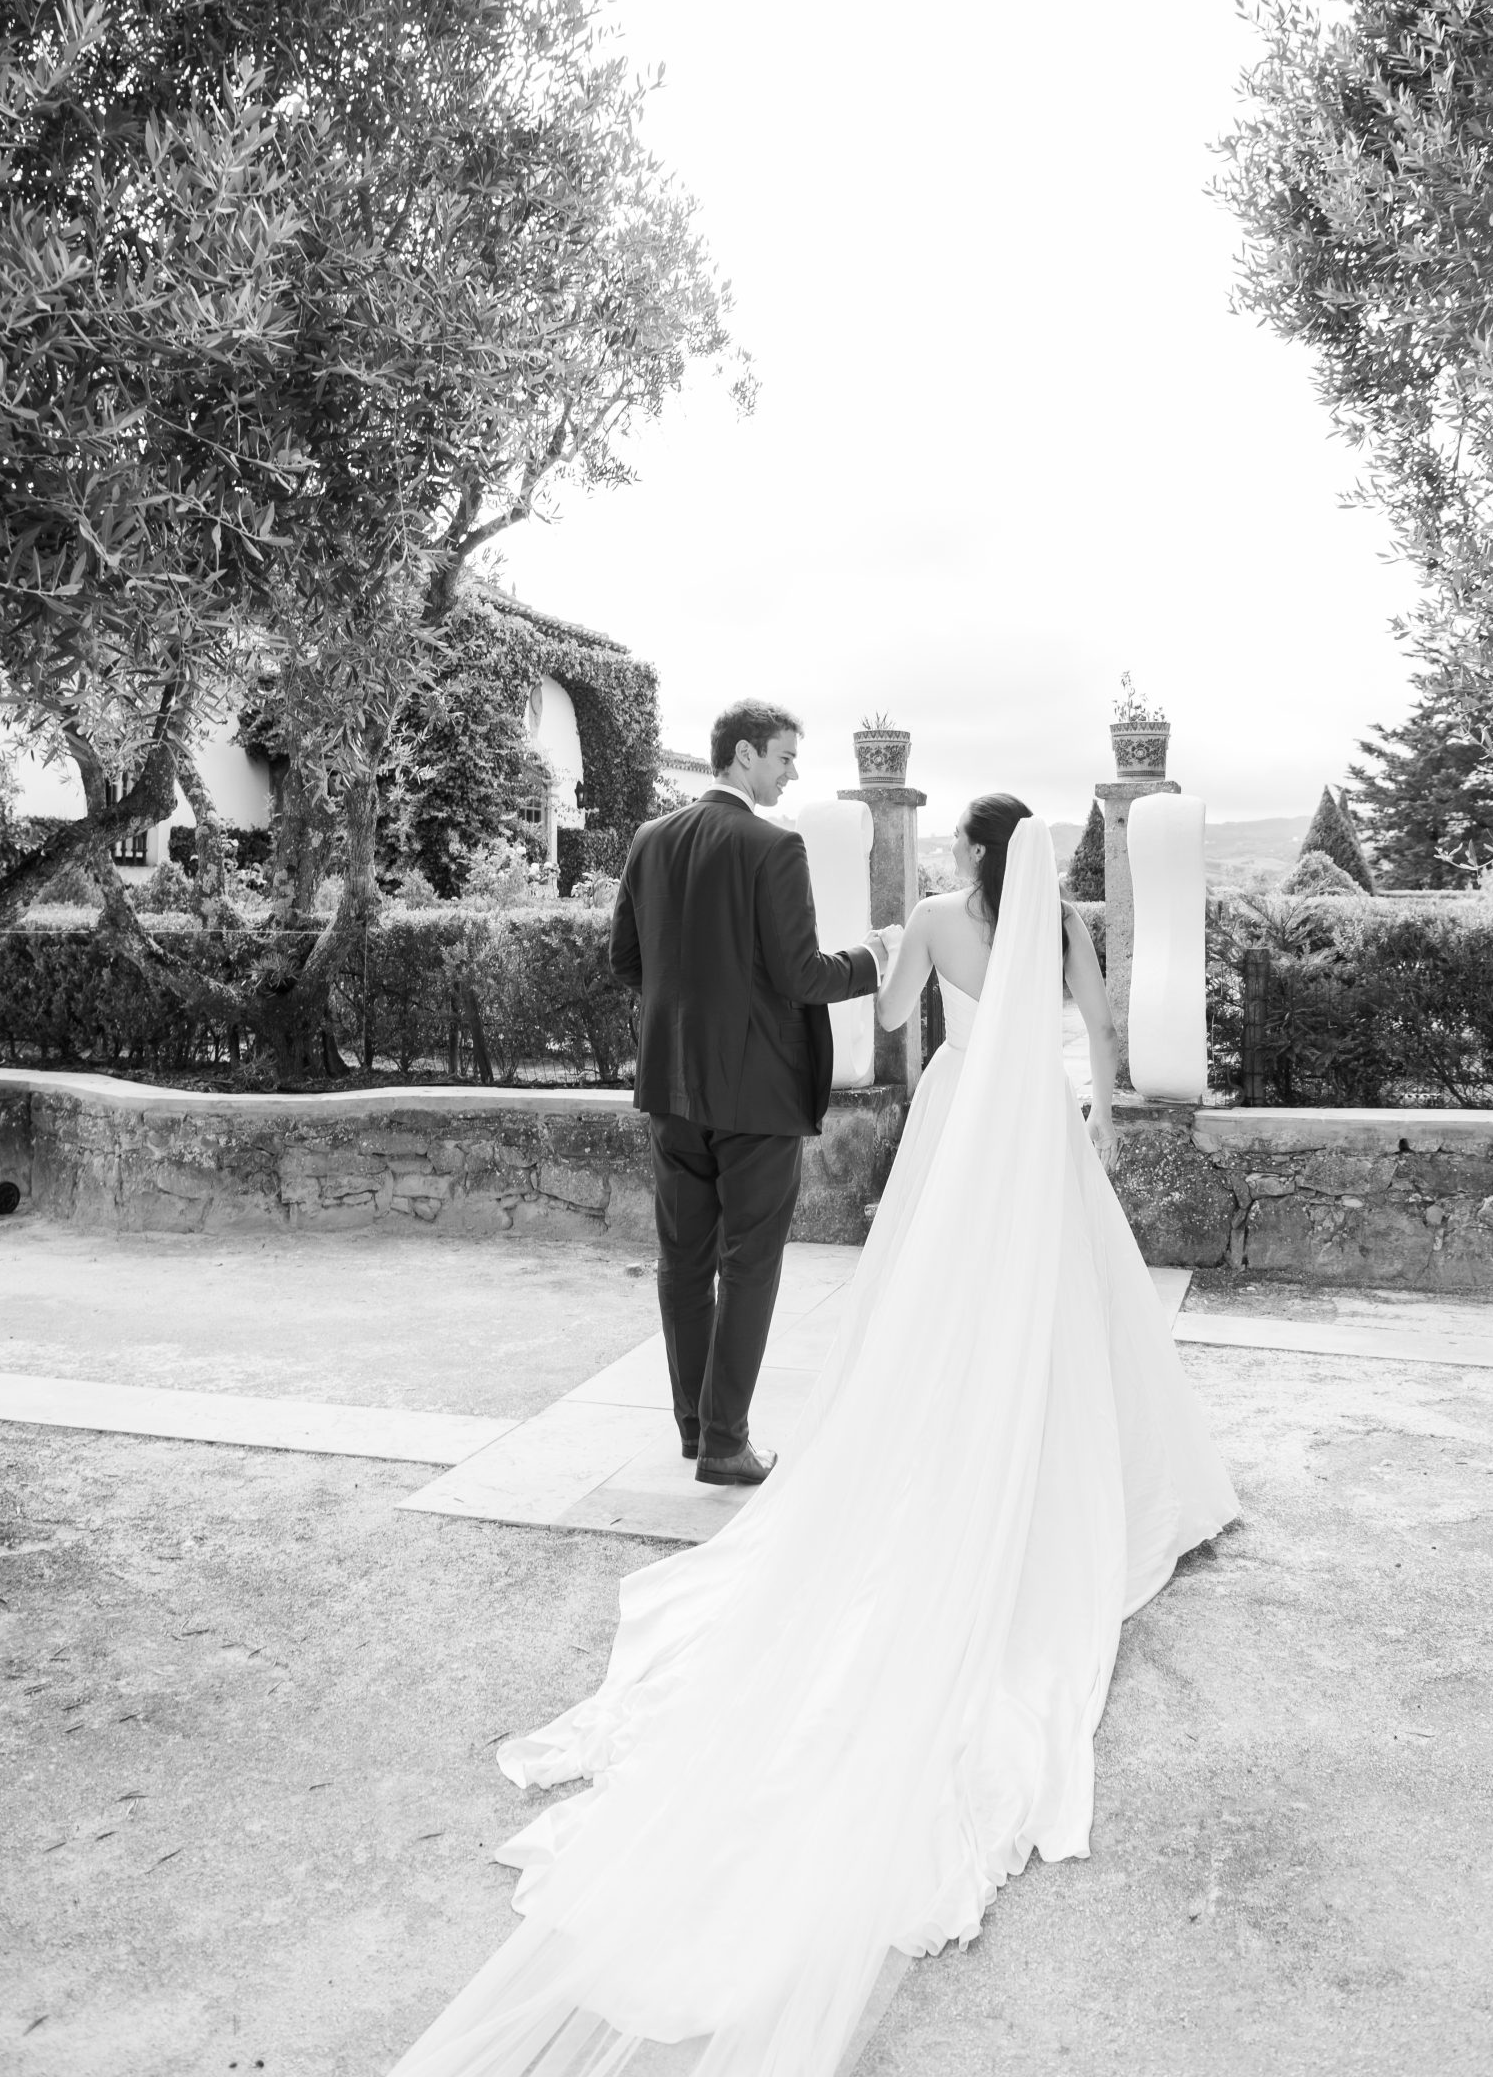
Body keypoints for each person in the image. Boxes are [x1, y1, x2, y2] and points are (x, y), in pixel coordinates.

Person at [391, 797, 1237, 2077]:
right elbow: (1099, 1027)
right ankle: (1084, 1457)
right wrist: (1104, 1119)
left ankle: (798, 1424)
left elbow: (892, 1022)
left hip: (957, 1117)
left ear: (961, 850)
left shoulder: (939, 919)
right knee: (1063, 1293)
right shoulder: (1058, 921)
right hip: (1039, 1121)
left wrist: (893, 956)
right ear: (1035, 856)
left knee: (929, 1296)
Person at [608, 700, 885, 1485]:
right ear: (740, 756)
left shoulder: (649, 839)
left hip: (669, 1085)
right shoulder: (772, 846)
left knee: (682, 1263)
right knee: (751, 1263)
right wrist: (870, 957)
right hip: (756, 1093)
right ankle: (727, 1442)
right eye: (784, 757)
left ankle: (696, 1430)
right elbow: (801, 975)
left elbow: (626, 962)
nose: (792, 771)